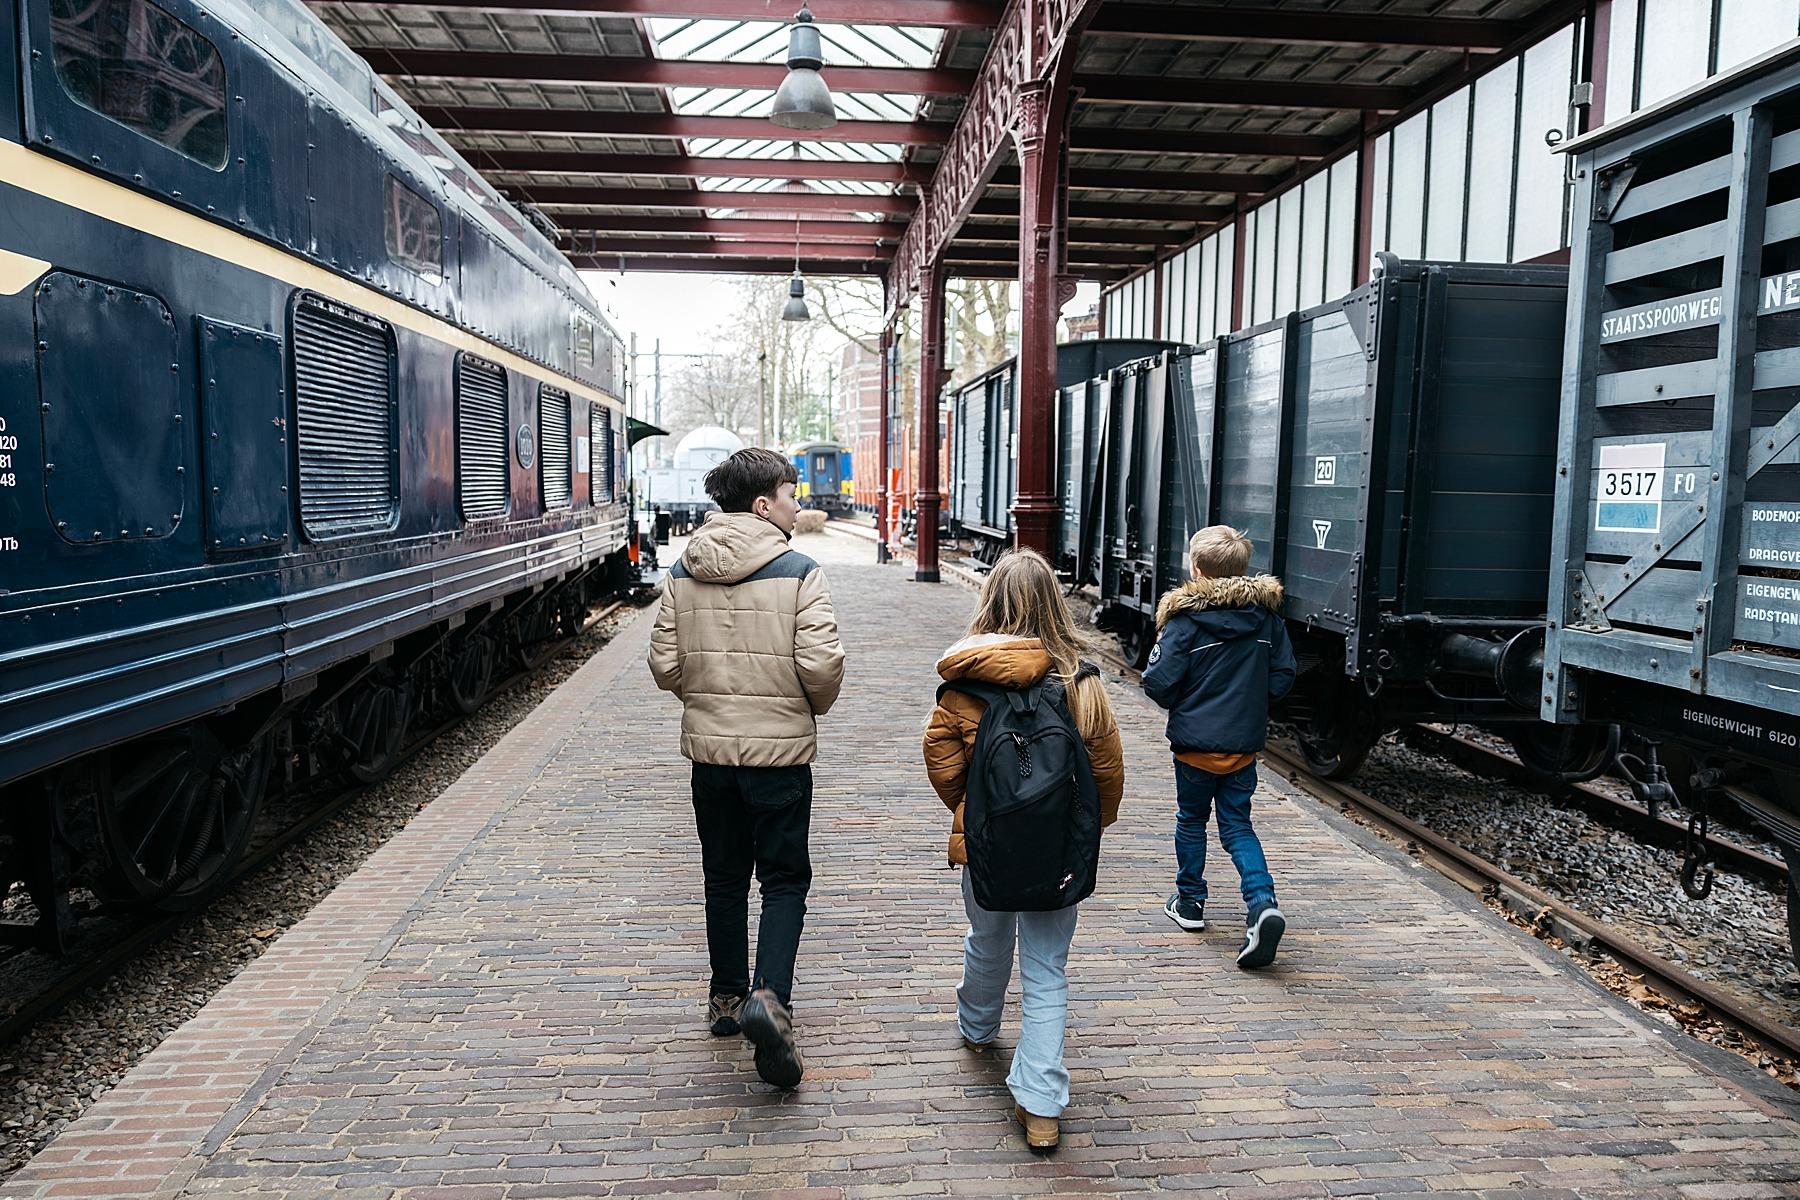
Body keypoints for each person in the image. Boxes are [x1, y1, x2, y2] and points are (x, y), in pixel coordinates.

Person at [647, 447, 845, 1090]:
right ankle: (771, 999)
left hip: (710, 756)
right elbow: (820, 669)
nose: (798, 503)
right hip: (780, 754)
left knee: (724, 875)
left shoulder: (683, 570)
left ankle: (727, 999)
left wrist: (706, 703)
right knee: (784, 879)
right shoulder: (800, 572)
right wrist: (802, 709)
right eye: (792, 493)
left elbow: (665, 667)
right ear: (764, 505)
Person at [922, 549, 1123, 1153]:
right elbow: (1107, 775)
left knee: (986, 938)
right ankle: (1040, 1106)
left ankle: (978, 1027)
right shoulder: (1081, 684)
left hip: (985, 846)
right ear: (1054, 605)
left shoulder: (964, 686)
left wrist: (973, 812)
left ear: (990, 603)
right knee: (1046, 968)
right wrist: (1084, 831)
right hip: (1057, 853)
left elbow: (941, 762)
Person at [1141, 526, 1297, 970]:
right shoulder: (1268, 621)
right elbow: (1284, 676)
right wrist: (1250, 701)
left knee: (1191, 820)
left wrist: (1190, 699)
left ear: (1197, 569)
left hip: (1194, 748)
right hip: (1242, 749)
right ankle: (1262, 903)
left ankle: (1190, 904)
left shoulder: (1185, 622)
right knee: (1238, 826)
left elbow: (1158, 683)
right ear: (1243, 570)